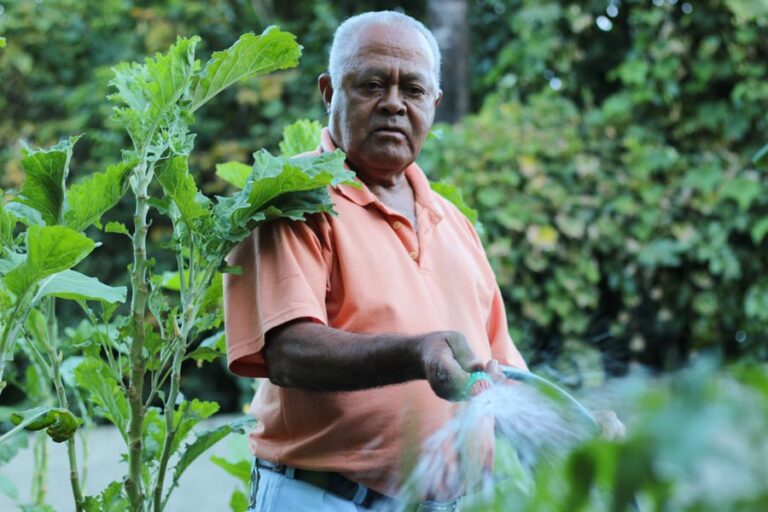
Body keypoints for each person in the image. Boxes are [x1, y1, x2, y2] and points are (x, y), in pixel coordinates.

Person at [224, 11, 623, 512]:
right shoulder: (293, 192)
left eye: (412, 89)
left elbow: (498, 375)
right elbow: (288, 350)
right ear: (328, 93)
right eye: (371, 84)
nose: (393, 104)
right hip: (323, 498)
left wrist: (577, 428)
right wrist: (417, 354)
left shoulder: (453, 222)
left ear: (433, 104)